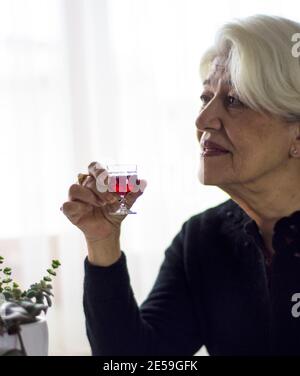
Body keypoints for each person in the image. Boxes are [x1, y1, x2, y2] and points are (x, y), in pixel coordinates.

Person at [61, 14, 300, 355]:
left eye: (235, 100)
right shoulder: (203, 239)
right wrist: (103, 241)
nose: (202, 120)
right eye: (206, 98)